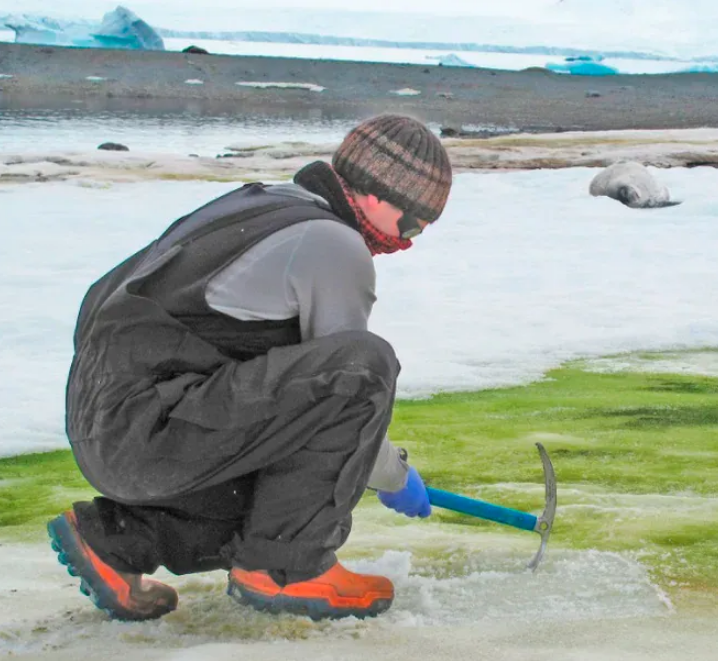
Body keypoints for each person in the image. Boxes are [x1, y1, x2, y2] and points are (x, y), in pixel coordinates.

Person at [46, 114, 452, 622]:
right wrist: (393, 474)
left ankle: (117, 541)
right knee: (367, 365)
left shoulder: (262, 204)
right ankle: (288, 568)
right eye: (412, 223)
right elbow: (347, 387)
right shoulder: (333, 243)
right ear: (375, 194)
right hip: (151, 427)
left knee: (279, 484)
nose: (408, 241)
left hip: (110, 424)